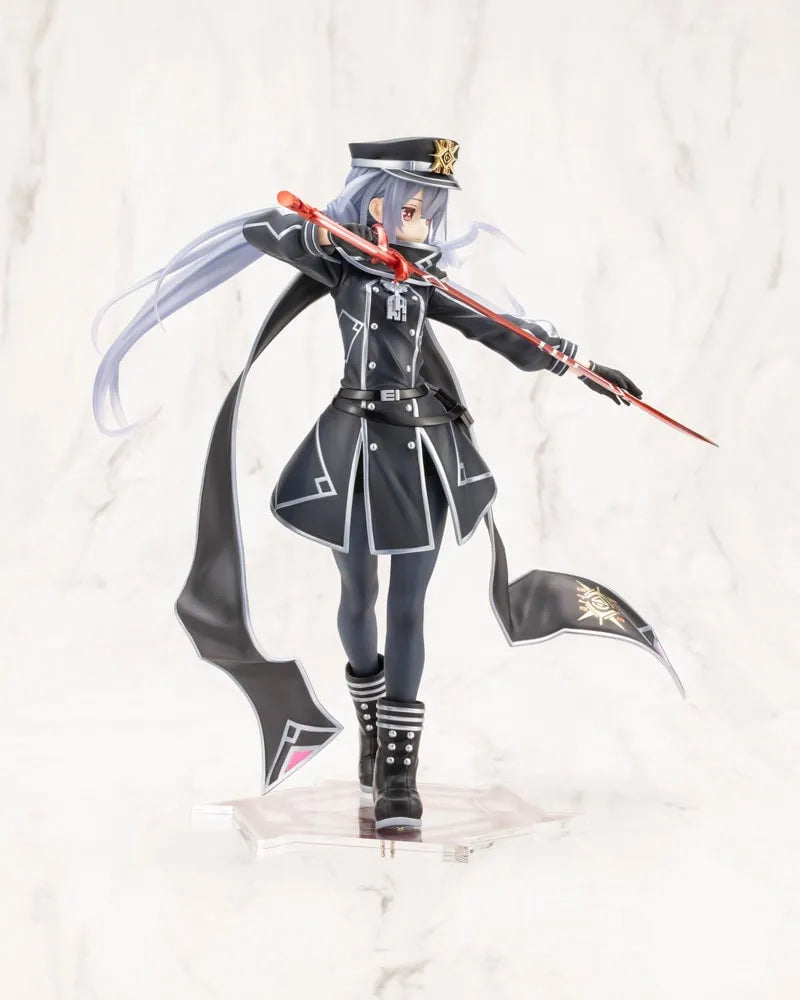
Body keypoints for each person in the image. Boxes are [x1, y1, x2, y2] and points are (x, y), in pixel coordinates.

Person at [94, 136, 657, 833]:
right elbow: (264, 229)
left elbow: (501, 331)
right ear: (375, 205)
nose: (421, 220)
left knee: (410, 608)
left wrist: (581, 366)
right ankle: (370, 720)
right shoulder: (343, 265)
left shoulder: (424, 282)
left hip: (420, 453)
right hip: (352, 451)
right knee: (358, 596)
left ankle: (397, 769)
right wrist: (325, 236)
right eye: (408, 206)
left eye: (428, 210)